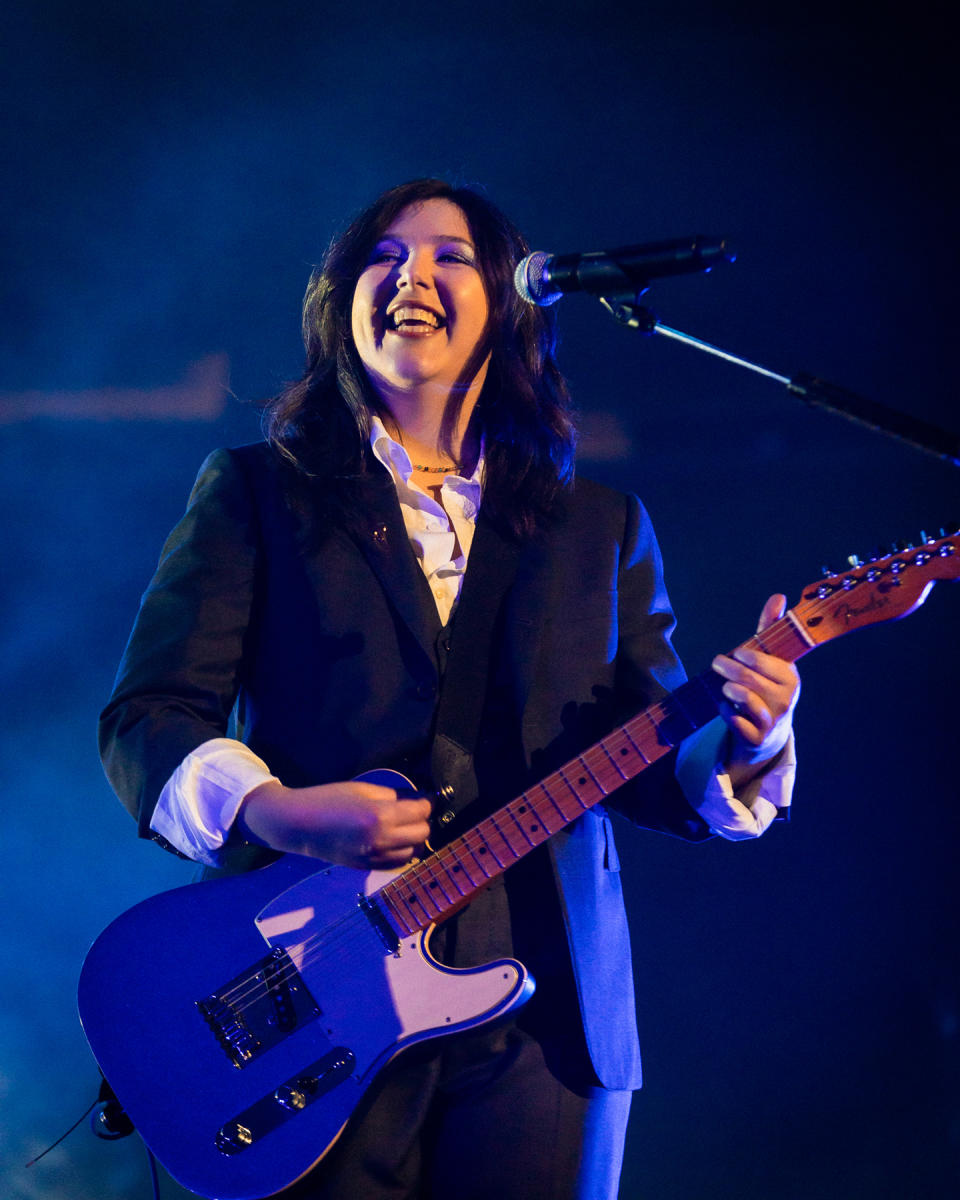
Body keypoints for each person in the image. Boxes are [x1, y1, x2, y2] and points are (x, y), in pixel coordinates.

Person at [99, 178, 799, 1200]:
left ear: (511, 305)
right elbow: (147, 716)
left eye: (450, 256)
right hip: (311, 996)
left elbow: (649, 764)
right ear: (340, 300)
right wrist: (282, 811)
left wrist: (747, 736)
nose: (409, 276)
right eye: (382, 257)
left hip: (550, 1015)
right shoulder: (256, 492)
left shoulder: (598, 525)